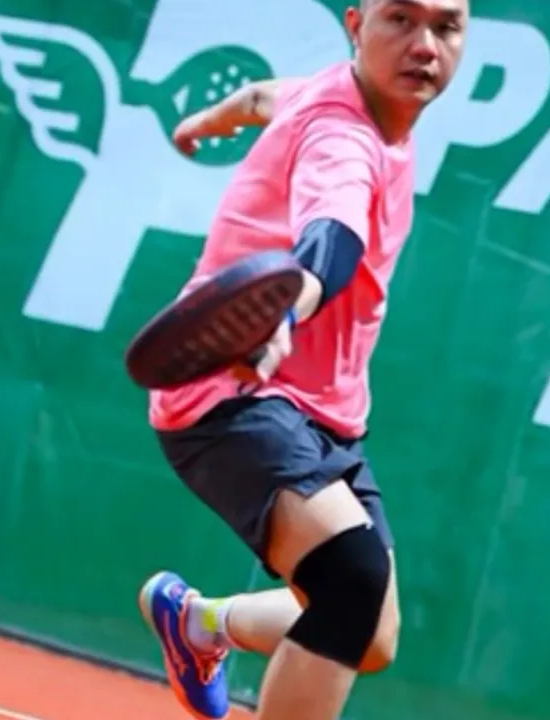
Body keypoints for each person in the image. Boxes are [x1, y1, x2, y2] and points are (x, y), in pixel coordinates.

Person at [138, 1, 469, 718]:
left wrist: (212, 118)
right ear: (356, 24)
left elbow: (266, 96)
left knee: (371, 632)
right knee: (351, 582)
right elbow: (331, 240)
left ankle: (199, 624)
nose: (424, 46)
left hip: (323, 411)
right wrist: (285, 309)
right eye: (400, 20)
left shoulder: (348, 97)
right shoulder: (342, 139)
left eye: (445, 26)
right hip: (234, 391)